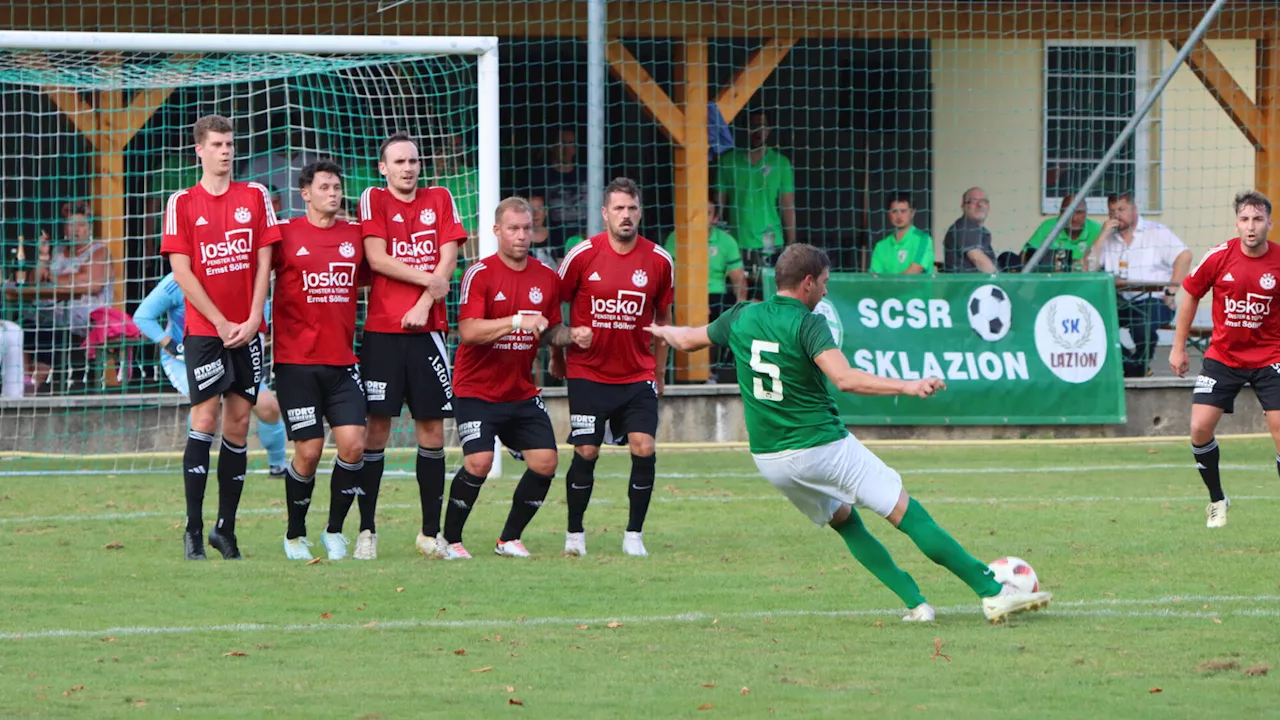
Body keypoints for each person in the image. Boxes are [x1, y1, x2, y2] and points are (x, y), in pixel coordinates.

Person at [645, 243, 1052, 623]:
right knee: (906, 513)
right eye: (824, 282)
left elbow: (684, 339)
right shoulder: (808, 324)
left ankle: (916, 603)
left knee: (846, 521)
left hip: (770, 459)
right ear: (807, 283)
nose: (825, 291)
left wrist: (659, 331)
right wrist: (907, 386)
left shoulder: (741, 316)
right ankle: (991, 590)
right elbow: (844, 378)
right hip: (820, 446)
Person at [443, 197, 593, 558]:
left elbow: (549, 330)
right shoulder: (479, 273)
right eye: (513, 228)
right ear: (497, 231)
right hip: (475, 389)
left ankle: (508, 538)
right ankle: (449, 540)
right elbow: (469, 331)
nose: (521, 235)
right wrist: (515, 321)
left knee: (546, 462)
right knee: (478, 462)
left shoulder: (545, 277)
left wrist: (570, 336)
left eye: (527, 228)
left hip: (519, 391)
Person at [161, 114, 281, 561]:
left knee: (239, 424)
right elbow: (182, 271)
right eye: (216, 144)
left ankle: (224, 529)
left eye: (230, 144)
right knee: (205, 419)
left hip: (248, 329)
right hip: (205, 332)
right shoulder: (182, 202)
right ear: (199, 149)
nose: (226, 151)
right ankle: (193, 529)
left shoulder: (255, 196)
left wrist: (252, 318)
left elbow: (265, 262)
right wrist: (220, 321)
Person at [358, 131, 467, 559]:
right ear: (383, 168)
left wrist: (425, 303)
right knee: (376, 430)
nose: (408, 168)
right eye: (399, 162)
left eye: (413, 161)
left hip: (429, 333)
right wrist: (429, 283)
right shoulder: (374, 199)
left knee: (432, 430)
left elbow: (448, 257)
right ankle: (367, 531)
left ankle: (428, 532)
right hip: (384, 332)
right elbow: (377, 259)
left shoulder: (440, 198)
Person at [553, 178, 673, 557]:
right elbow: (555, 307)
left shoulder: (659, 260)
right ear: (605, 213)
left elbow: (664, 321)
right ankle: (575, 533)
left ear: (640, 212)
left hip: (637, 374)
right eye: (618, 208)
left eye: (632, 208)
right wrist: (562, 348)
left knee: (644, 446)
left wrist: (659, 374)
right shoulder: (582, 255)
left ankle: (634, 535)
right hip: (588, 372)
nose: (626, 215)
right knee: (586, 450)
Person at [270, 160, 372, 561]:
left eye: (337, 187)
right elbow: (258, 274)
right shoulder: (285, 235)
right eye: (325, 187)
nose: (333, 193)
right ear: (306, 192)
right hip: (295, 363)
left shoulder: (356, 236)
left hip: (343, 362)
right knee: (309, 452)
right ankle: (295, 534)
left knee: (353, 445)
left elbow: (375, 273)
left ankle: (334, 531)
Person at [1170, 190, 1280, 529]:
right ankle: (1218, 499)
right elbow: (1189, 293)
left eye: (1258, 220)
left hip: (1271, 357)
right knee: (1199, 428)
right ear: (1237, 223)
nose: (1251, 227)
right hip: (1224, 356)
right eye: (1245, 220)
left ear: (1269, 224)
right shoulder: (1219, 256)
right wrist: (1178, 346)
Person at [133, 272, 288, 475]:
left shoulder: (248, 282)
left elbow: (258, 327)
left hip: (235, 357)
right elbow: (143, 316)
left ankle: (278, 466)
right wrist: (170, 344)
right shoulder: (177, 280)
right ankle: (196, 465)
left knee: (268, 406)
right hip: (185, 361)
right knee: (205, 410)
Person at [8, 202, 112, 392]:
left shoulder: (99, 251)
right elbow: (33, 282)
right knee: (23, 323)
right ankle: (21, 381)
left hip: (83, 316)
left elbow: (91, 282)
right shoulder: (58, 250)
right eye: (71, 224)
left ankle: (33, 384)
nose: (75, 230)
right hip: (50, 310)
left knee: (52, 328)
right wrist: (43, 258)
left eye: (81, 225)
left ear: (89, 228)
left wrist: (52, 276)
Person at [1095, 192, 1192, 377]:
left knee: (1142, 325)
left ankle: (1136, 369)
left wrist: (1171, 291)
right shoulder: (1107, 238)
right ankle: (1134, 366)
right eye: (1112, 211)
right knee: (1096, 323)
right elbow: (1087, 267)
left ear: (1134, 209)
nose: (1117, 216)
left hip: (1153, 300)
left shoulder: (1156, 232)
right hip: (1121, 301)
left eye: (1122, 210)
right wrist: (1102, 235)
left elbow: (1184, 256)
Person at [716, 109, 796, 297]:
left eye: (762, 127)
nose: (757, 132)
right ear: (744, 129)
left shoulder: (780, 163)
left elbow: (788, 206)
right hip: (735, 242)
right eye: (752, 126)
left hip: (771, 242)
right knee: (736, 299)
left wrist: (792, 243)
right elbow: (718, 207)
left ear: (769, 131)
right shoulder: (728, 161)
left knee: (769, 297)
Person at [1022, 193, 1103, 272]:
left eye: (1079, 212)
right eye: (1068, 212)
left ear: (1086, 213)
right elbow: (1025, 256)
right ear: (1061, 213)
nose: (1074, 218)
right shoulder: (1048, 227)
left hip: (1086, 282)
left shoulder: (1097, 230)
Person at [869, 193, 934, 275]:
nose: (899, 216)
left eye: (903, 211)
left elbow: (913, 272)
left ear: (913, 213)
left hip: (914, 288)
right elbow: (875, 278)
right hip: (887, 288)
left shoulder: (924, 240)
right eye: (894, 211)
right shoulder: (881, 246)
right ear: (888, 214)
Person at [942, 187, 997, 273]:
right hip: (967, 286)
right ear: (963, 206)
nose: (980, 205)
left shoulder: (982, 231)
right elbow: (979, 260)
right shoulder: (964, 227)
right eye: (974, 201)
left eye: (983, 201)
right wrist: (1002, 283)